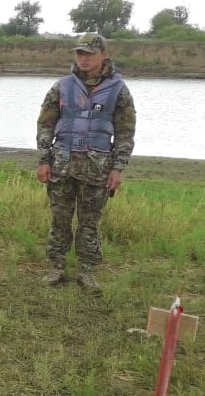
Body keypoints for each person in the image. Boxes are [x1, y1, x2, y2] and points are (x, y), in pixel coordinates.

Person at [36, 32, 136, 292]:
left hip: (97, 168)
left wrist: (118, 167)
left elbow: (125, 132)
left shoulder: (119, 90)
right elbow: (45, 125)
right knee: (60, 219)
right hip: (62, 163)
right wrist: (43, 160)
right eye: (79, 53)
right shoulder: (61, 86)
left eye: (89, 54)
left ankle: (87, 271)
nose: (83, 58)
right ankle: (56, 267)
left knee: (90, 222)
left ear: (103, 55)